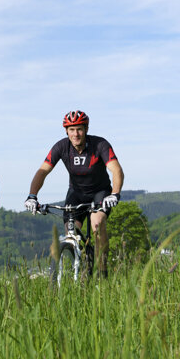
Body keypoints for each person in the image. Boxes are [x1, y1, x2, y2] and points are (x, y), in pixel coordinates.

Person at [24, 110, 124, 276]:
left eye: (79, 129)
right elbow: (42, 171)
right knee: (70, 231)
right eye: (71, 130)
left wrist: (115, 193)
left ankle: (102, 272)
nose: (75, 134)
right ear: (66, 131)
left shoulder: (100, 145)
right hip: (76, 193)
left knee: (97, 223)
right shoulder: (61, 147)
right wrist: (32, 196)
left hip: (100, 192)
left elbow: (116, 170)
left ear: (86, 129)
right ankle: (78, 264)